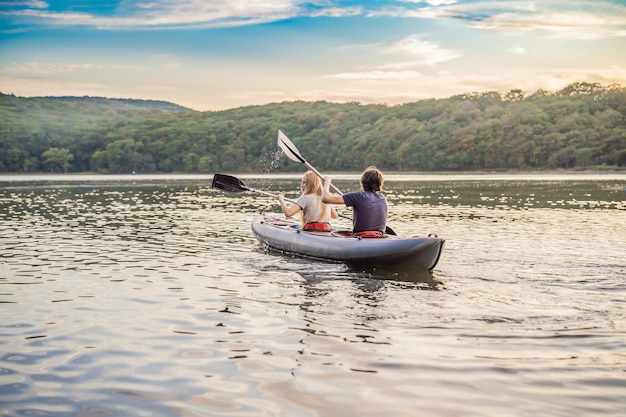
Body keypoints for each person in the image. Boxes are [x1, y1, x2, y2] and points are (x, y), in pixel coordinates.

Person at [322, 166, 387, 236]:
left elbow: (325, 198)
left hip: (361, 236)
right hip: (379, 236)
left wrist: (326, 183)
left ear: (362, 182)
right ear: (380, 183)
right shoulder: (383, 199)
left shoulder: (358, 196)